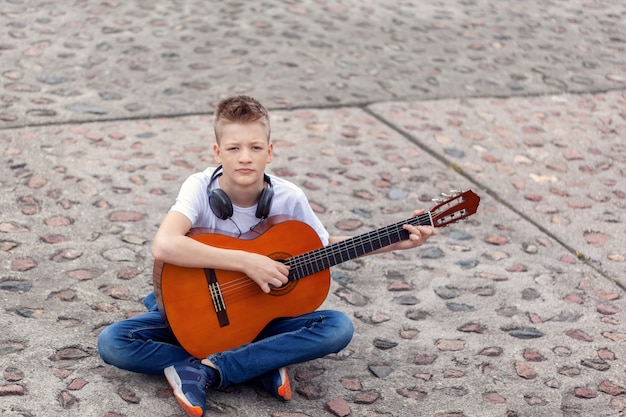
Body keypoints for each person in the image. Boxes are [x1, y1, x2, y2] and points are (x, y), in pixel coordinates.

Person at [97, 95, 437, 417]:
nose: (245, 157)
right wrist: (249, 262)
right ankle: (256, 365)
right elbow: (165, 245)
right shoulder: (199, 188)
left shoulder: (289, 198)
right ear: (218, 152)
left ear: (270, 152)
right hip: (200, 313)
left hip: (262, 321)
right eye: (234, 148)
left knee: (338, 327)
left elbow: (324, 246)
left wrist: (396, 241)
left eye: (255, 147)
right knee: (113, 342)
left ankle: (209, 370)